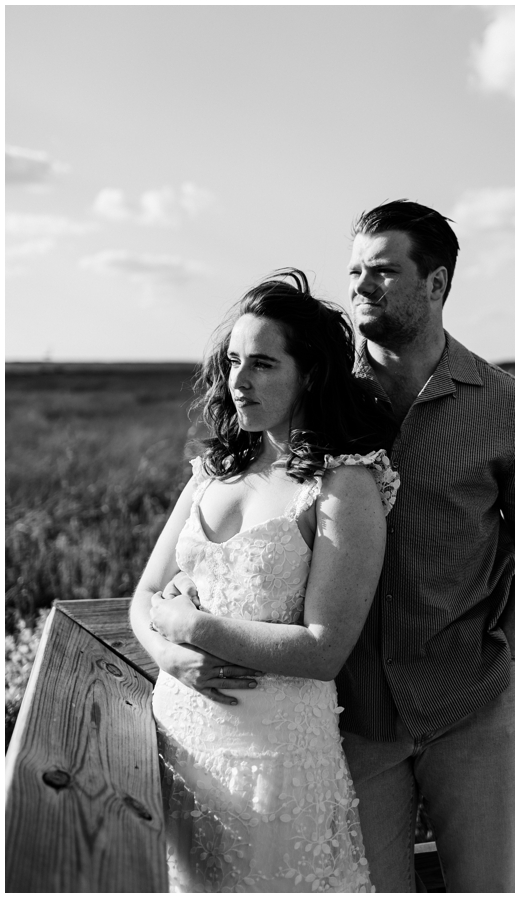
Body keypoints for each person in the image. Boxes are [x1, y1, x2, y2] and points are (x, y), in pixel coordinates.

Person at [129, 270, 398, 891]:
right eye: (232, 363)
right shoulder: (214, 471)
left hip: (274, 762)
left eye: (263, 364)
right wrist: (173, 657)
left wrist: (193, 625)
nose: (239, 382)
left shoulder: (345, 485)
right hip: (178, 742)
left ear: (310, 373)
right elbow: (146, 595)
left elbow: (325, 647)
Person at [334, 199, 515, 892]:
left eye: (381, 272)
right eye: (354, 273)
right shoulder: (324, 402)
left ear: (436, 284)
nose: (360, 288)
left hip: (474, 695)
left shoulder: (505, 404)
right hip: (353, 710)